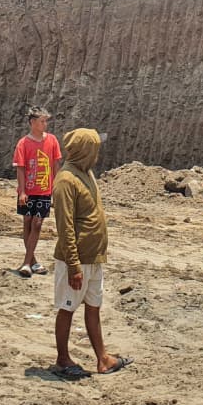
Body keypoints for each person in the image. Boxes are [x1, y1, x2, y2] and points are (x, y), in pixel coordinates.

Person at [50, 128, 130, 380]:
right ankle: (63, 359)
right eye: (95, 147)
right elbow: (65, 227)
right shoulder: (65, 181)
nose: (98, 152)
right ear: (86, 150)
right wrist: (73, 266)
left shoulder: (86, 174)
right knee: (67, 308)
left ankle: (103, 358)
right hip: (77, 261)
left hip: (94, 258)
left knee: (93, 307)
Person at [13, 106, 62, 278]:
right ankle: (31, 261)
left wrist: (57, 187)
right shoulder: (23, 143)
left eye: (46, 121)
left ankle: (27, 263)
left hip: (44, 190)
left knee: (38, 224)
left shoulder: (52, 141)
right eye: (42, 121)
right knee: (27, 223)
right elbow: (21, 169)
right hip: (28, 190)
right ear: (32, 122)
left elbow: (56, 165)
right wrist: (22, 192)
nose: (45, 124)